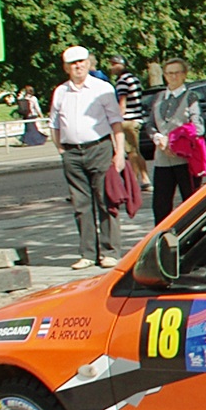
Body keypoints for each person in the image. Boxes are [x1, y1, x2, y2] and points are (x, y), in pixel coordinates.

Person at [48, 45, 126, 269]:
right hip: (72, 152)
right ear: (66, 68)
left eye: (81, 62)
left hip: (99, 148)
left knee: (105, 201)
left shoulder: (102, 88)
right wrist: (61, 149)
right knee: (81, 205)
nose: (78, 67)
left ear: (89, 63)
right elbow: (54, 124)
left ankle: (110, 251)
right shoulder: (61, 92)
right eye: (73, 64)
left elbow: (116, 122)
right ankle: (88, 253)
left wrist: (119, 152)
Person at [148, 58, 205, 225]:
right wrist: (158, 138)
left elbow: (198, 128)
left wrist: (172, 140)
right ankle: (163, 236)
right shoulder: (158, 98)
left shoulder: (190, 97)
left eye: (177, 73)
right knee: (160, 205)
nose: (173, 77)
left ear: (184, 74)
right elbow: (150, 124)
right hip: (162, 160)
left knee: (191, 202)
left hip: (185, 161)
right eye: (169, 73)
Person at [108, 54, 150, 189]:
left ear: (121, 65)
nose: (111, 67)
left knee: (131, 152)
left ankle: (133, 182)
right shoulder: (134, 78)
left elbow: (122, 102)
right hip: (137, 118)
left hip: (128, 120)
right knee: (136, 151)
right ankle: (145, 178)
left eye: (114, 64)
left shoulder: (122, 81)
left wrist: (117, 119)